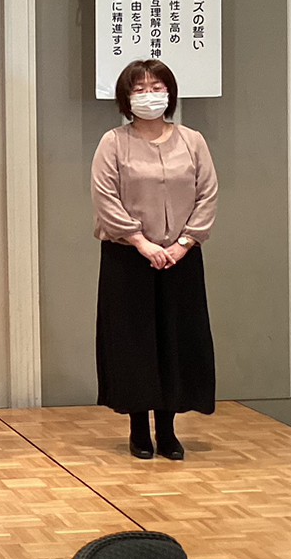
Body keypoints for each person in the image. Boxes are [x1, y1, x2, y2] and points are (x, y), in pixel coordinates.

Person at [91, 59, 218, 461]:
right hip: (128, 258)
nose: (150, 95)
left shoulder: (192, 141)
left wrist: (183, 243)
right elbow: (105, 196)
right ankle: (139, 429)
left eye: (157, 87)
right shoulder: (113, 142)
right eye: (140, 89)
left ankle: (168, 429)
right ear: (126, 98)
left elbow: (207, 194)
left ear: (170, 94)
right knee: (134, 342)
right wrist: (142, 243)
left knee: (176, 341)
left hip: (181, 258)